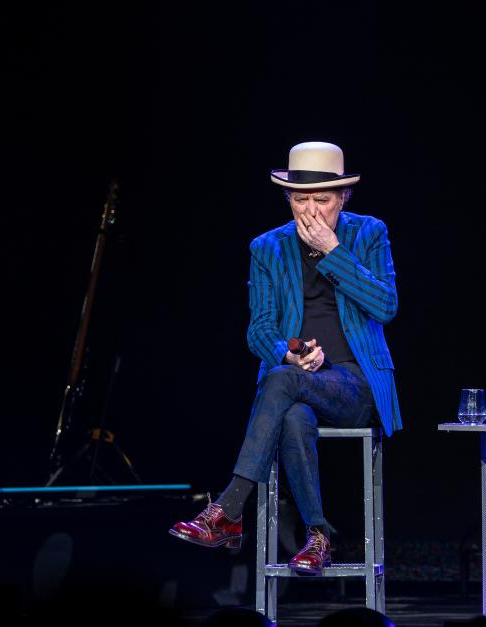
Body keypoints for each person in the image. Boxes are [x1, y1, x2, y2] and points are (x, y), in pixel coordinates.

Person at [169, 141, 402, 574]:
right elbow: (259, 329)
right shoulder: (267, 248)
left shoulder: (369, 233)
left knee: (278, 382)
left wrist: (334, 251)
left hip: (355, 383)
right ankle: (318, 537)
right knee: (291, 409)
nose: (310, 212)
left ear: (343, 198)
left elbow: (386, 306)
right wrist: (290, 353)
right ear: (288, 199)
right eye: (300, 200)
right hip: (299, 380)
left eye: (322, 200)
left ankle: (228, 510)